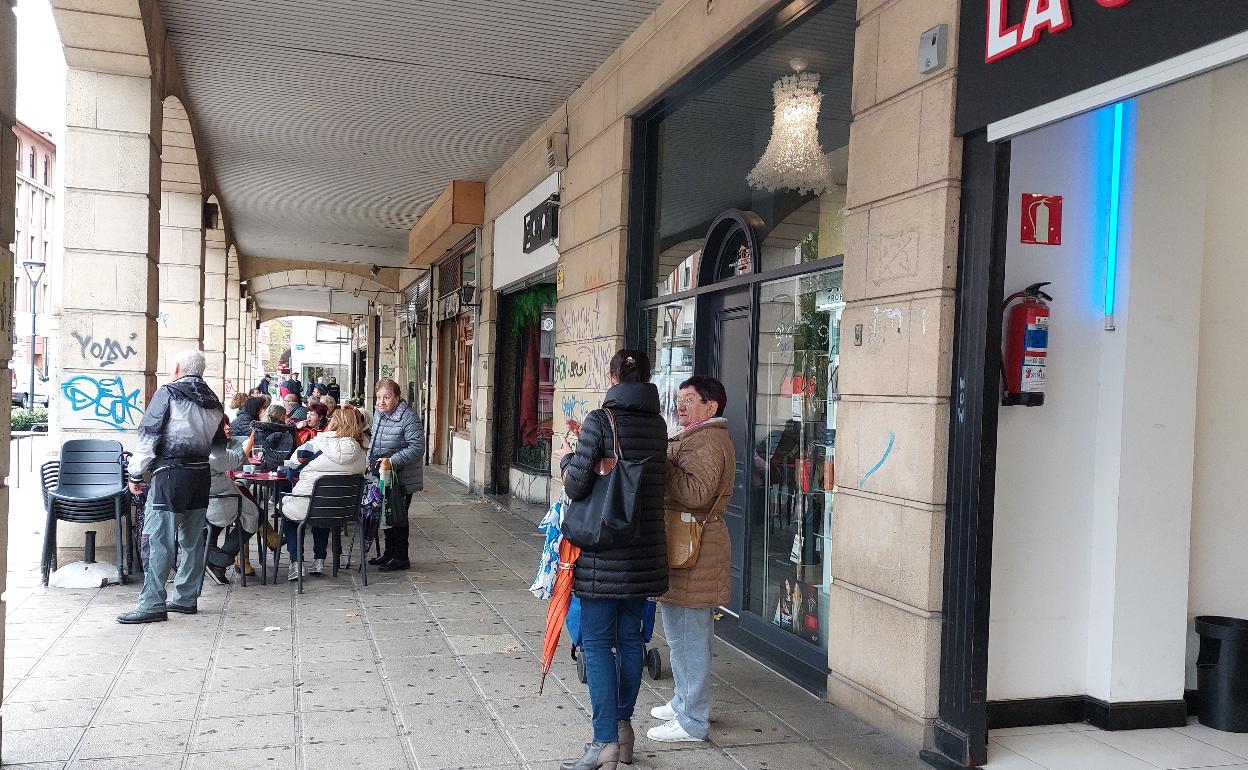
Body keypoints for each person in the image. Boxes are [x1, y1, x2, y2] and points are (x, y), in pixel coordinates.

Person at [552, 350, 668, 770]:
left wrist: (568, 459)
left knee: (598, 642)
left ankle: (604, 742)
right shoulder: (658, 424)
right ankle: (623, 729)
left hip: (603, 550)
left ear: (612, 376)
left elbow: (576, 486)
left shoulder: (600, 420)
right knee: (632, 639)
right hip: (645, 550)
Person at [648, 375, 735, 743]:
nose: (680, 405)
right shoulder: (695, 436)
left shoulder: (709, 440)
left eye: (689, 399)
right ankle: (684, 701)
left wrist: (663, 464)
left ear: (710, 406)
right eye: (680, 398)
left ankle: (692, 720)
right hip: (688, 548)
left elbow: (697, 494)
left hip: (696, 550)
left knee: (690, 638)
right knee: (681, 635)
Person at [119, 349, 223, 624]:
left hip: (170, 476)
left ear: (177, 368)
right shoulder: (214, 401)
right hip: (200, 476)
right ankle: (186, 598)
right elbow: (219, 451)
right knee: (192, 540)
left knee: (158, 540)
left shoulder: (168, 393)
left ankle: (152, 603)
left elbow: (148, 437)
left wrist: (135, 475)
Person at [280, 406, 368, 579]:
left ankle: (296, 562)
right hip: (343, 510)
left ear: (332, 423)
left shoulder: (313, 445)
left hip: (308, 504)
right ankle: (319, 560)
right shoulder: (361, 453)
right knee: (324, 508)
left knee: (291, 514)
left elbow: (291, 470)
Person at [367, 378, 424, 572]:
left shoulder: (408, 416)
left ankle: (401, 557)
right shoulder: (379, 413)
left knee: (398, 515)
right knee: (386, 514)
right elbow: (374, 441)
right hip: (382, 474)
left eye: (386, 397)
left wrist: (392, 461)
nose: (381, 402)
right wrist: (369, 461)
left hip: (401, 476)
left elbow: (417, 447)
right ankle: (389, 553)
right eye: (378, 397)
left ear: (397, 398)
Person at [205, 416, 261, 584]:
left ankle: (212, 558)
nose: (228, 428)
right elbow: (236, 461)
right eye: (224, 425)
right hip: (219, 499)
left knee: (214, 522)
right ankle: (218, 559)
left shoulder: (190, 444)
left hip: (200, 501)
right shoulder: (214, 451)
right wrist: (241, 446)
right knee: (256, 515)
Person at [244, 404, 298, 470]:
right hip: (284, 467)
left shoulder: (258, 429)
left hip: (262, 467)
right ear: (282, 416)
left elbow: (247, 451)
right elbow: (298, 449)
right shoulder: (290, 430)